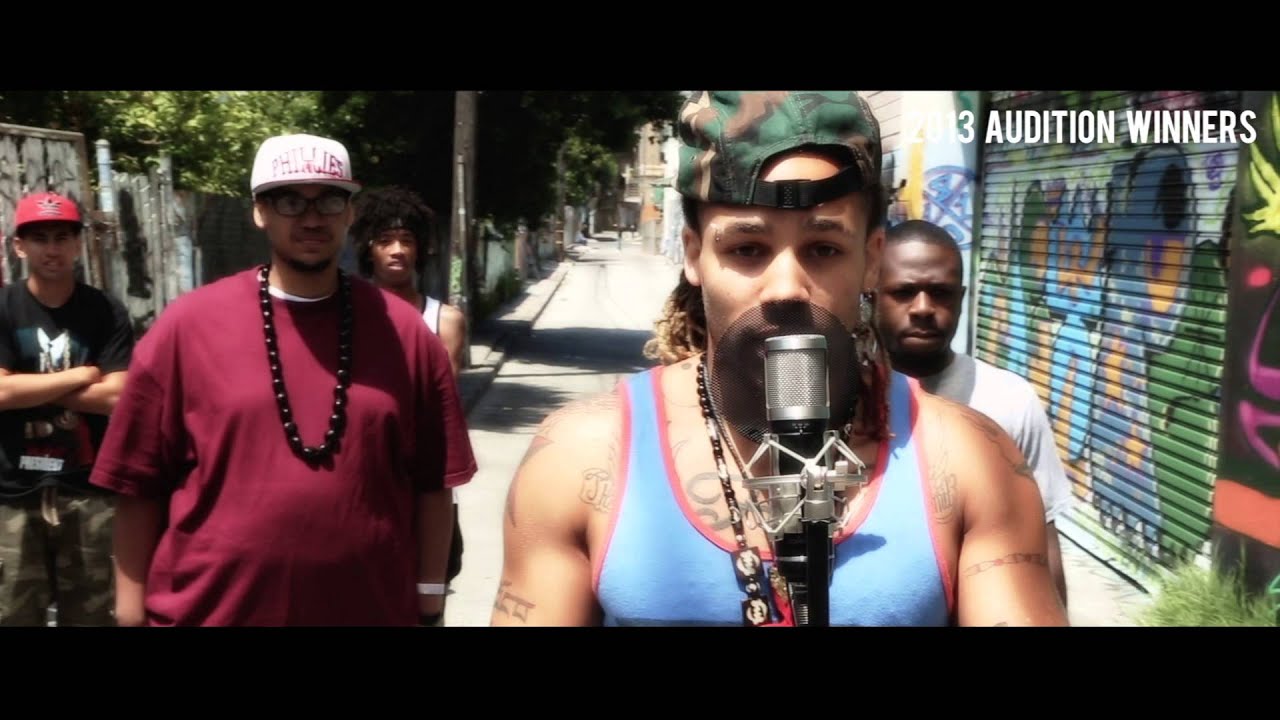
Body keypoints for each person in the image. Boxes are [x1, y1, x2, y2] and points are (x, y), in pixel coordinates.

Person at [492, 91, 1068, 627]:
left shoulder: (970, 461)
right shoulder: (579, 458)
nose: (787, 287)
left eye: (823, 248)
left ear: (871, 260)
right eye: (748, 249)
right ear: (694, 255)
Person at [88, 133, 477, 626]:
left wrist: (429, 603)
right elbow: (138, 483)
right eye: (290, 201)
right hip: (208, 614)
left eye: (329, 200)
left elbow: (433, 484)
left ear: (349, 212)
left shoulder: (407, 335)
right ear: (259, 211)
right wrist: (129, 614)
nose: (312, 218)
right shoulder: (186, 327)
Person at [873, 218, 1073, 605]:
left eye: (941, 293)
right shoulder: (843, 403)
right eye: (903, 292)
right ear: (872, 294)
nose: (923, 308)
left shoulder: (1009, 400)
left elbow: (1042, 543)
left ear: (961, 298)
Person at [0, 191, 134, 626]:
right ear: (19, 246)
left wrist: (27, 385)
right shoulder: (4, 308)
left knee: (94, 615)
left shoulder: (105, 310)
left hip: (89, 490)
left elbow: (117, 397)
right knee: (13, 615)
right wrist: (81, 375)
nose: (51, 248)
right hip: (13, 492)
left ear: (78, 243)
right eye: (39, 238)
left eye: (61, 237)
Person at [352, 185, 467, 587]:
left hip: (423, 485)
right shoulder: (345, 318)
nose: (397, 250)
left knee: (429, 591)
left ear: (420, 249)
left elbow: (440, 410)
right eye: (385, 240)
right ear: (368, 249)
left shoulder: (444, 321)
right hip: (360, 483)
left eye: (406, 240)